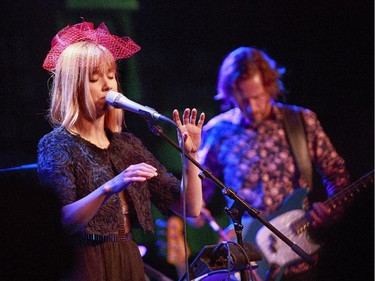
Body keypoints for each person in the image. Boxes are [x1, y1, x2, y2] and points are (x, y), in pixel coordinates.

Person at [37, 21, 205, 281]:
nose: (108, 85)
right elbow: (61, 219)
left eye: (111, 75)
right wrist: (111, 185)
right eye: (95, 78)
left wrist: (190, 157)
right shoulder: (57, 145)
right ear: (74, 86)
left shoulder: (127, 145)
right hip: (86, 263)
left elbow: (190, 208)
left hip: (127, 257)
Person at [192, 47, 350, 281]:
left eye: (257, 97)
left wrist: (331, 211)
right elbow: (196, 201)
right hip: (248, 262)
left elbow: (337, 176)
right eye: (243, 100)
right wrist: (208, 224)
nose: (252, 107)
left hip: (299, 257)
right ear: (229, 95)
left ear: (270, 87)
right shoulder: (217, 131)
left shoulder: (302, 122)